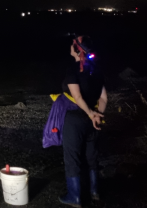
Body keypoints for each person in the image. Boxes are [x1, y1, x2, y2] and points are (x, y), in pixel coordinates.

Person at [59, 35, 107, 207]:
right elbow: (103, 98)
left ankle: (75, 197)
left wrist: (89, 113)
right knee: (91, 156)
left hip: (75, 118)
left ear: (76, 49)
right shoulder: (96, 69)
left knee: (72, 157)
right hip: (93, 120)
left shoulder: (73, 69)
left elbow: (77, 96)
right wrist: (97, 115)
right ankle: (94, 192)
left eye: (72, 44)